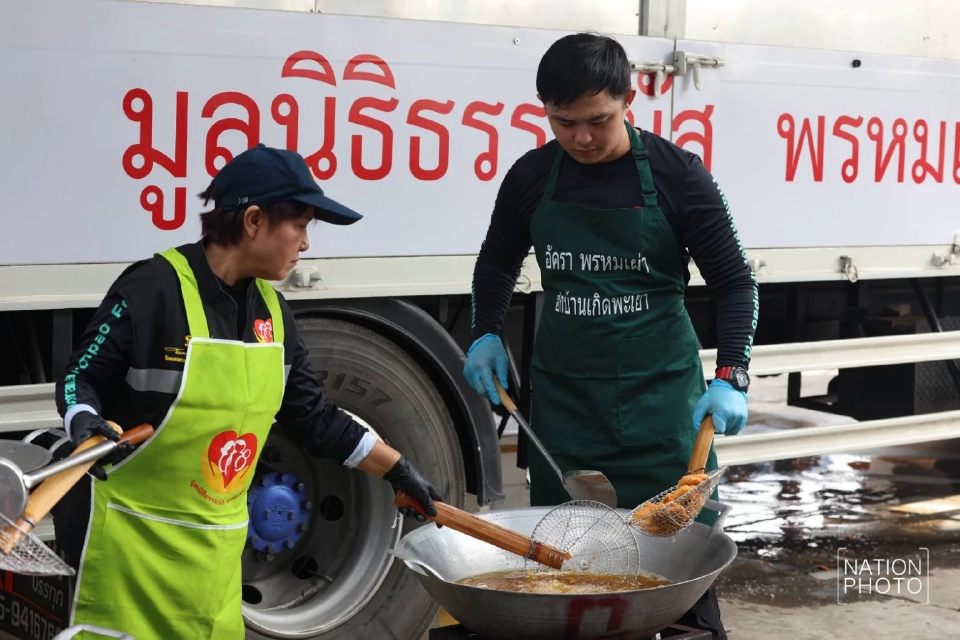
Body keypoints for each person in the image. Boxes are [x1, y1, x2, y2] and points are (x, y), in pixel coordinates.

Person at [51, 144, 443, 640]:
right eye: (299, 225)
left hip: (214, 579)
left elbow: (313, 418)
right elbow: (77, 377)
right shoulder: (152, 290)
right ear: (254, 220)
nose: (305, 243)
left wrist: (396, 469)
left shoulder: (274, 316)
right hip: (131, 558)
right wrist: (85, 422)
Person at [462, 33, 758, 639]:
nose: (582, 139)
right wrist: (484, 332)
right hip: (566, 418)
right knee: (564, 585)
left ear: (629, 98)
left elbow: (735, 282)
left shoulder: (679, 176)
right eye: (564, 123)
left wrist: (732, 374)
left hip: (662, 418)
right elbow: (496, 263)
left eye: (598, 120)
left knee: (680, 591)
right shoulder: (531, 176)